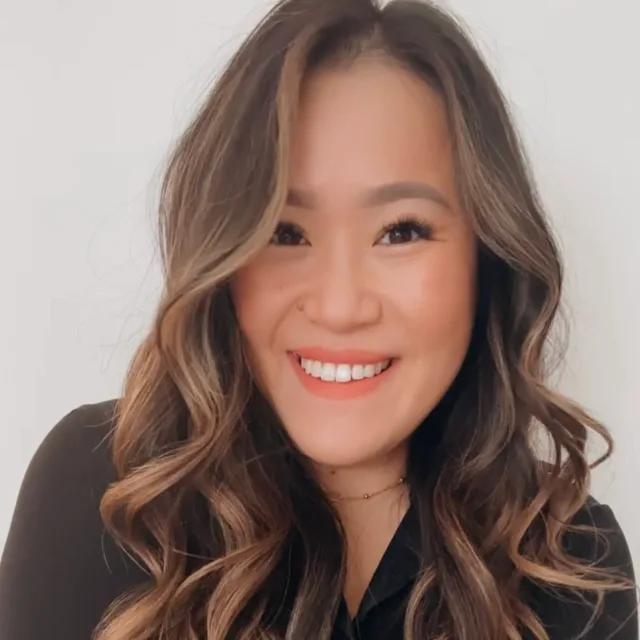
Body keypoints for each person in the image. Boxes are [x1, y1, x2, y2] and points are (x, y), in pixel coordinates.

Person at [0, 0, 637, 638]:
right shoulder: (103, 494)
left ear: (487, 257)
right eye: (284, 230)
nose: (339, 305)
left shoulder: (572, 562)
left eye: (400, 231)